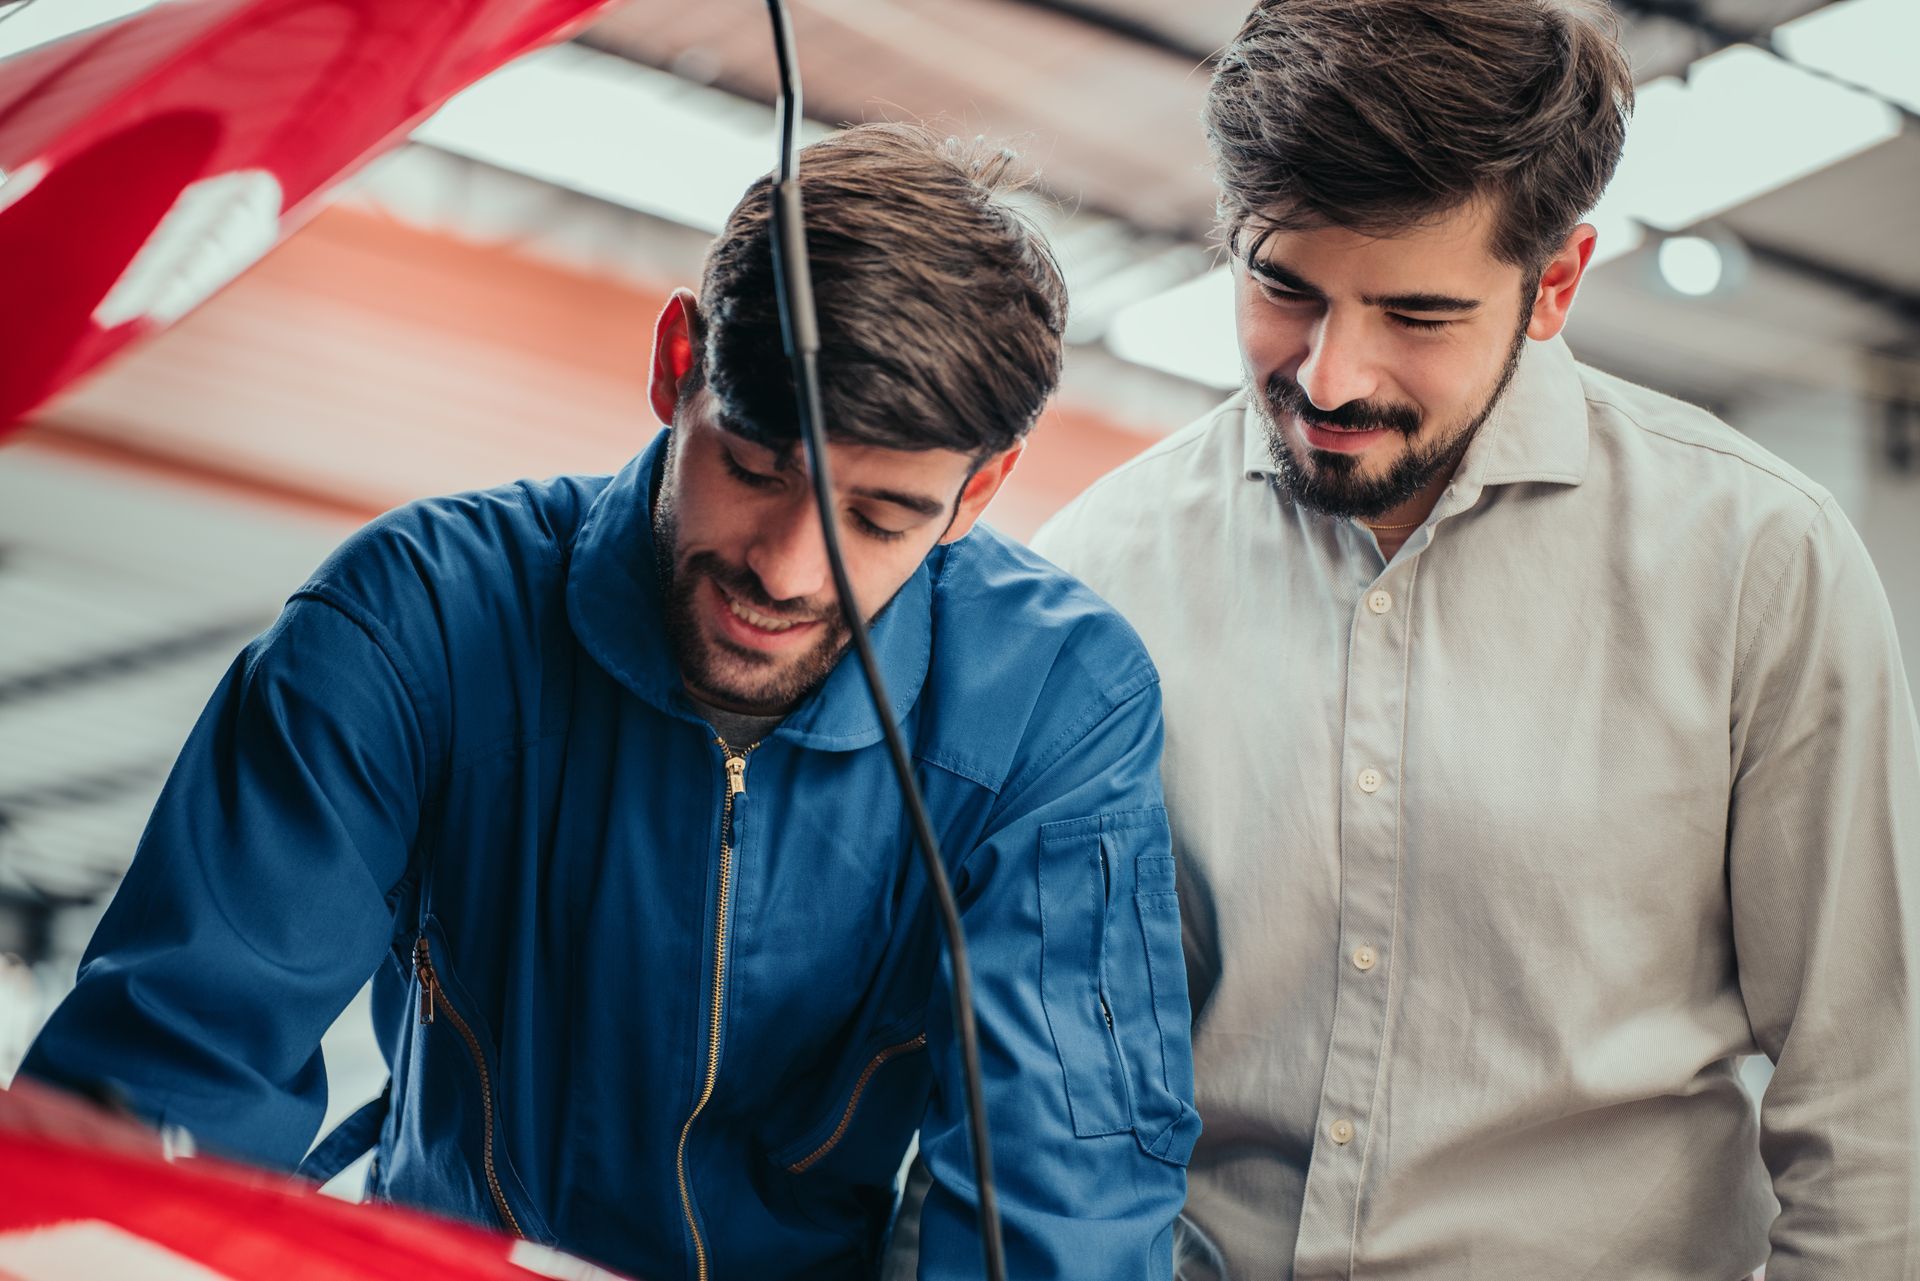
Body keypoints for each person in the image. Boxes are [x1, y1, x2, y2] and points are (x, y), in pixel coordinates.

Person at [21, 123, 1200, 1280]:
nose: (786, 570)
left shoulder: (1055, 707)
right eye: (754, 466)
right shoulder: (414, 624)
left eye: (879, 520)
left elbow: (1064, 1212)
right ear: (677, 364)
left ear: (979, 492)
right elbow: (171, 1073)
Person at [1031, 3, 1920, 1278]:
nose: (1332, 377)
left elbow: (1868, 1108)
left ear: (1553, 282)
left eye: (1419, 315)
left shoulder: (1757, 564)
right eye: (1284, 288)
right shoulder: (1096, 574)